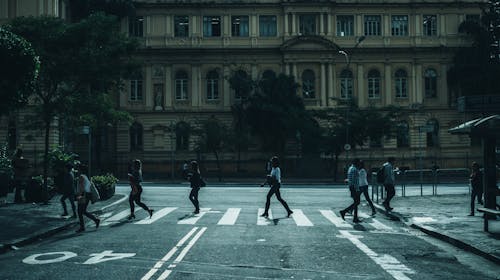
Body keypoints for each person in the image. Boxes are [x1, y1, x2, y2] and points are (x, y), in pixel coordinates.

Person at [75, 164, 100, 233]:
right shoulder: (87, 177)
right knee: (83, 211)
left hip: (84, 195)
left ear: (81, 170)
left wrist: (80, 196)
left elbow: (82, 188)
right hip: (87, 195)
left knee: (80, 211)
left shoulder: (81, 177)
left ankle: (83, 227)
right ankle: (95, 220)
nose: (77, 170)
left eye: (78, 169)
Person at [340, 158, 361, 223]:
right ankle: (344, 211)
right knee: (357, 202)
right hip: (354, 187)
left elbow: (350, 179)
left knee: (356, 202)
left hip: (351, 187)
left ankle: (355, 218)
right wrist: (357, 189)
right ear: (356, 163)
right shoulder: (354, 169)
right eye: (359, 162)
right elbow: (355, 181)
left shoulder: (350, 168)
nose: (360, 164)